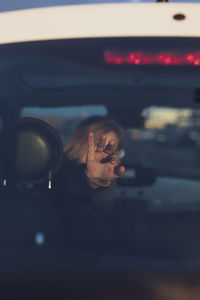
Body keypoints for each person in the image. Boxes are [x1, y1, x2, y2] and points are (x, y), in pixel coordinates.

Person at [53, 116, 125, 221]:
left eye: (112, 151)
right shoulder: (56, 169)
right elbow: (67, 183)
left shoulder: (108, 181)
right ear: (80, 141)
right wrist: (91, 180)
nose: (105, 156)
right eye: (99, 146)